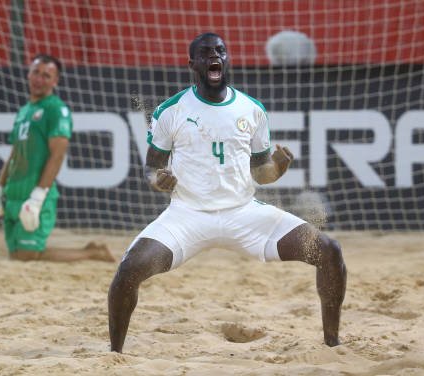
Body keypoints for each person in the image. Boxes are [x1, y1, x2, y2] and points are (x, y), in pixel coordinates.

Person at [108, 33, 346, 352]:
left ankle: (333, 343)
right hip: (187, 216)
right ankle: (115, 356)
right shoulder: (171, 110)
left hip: (244, 214)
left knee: (329, 251)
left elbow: (261, 173)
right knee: (128, 270)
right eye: (205, 53)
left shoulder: (252, 109)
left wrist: (277, 168)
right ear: (193, 64)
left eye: (219, 51)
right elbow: (151, 167)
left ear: (227, 59)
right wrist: (157, 179)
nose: (213, 56)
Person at [0, 54, 114, 263]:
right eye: (36, 72)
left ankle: (93, 253)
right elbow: (15, 153)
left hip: (35, 192)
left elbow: (58, 154)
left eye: (46, 75)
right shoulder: (25, 111)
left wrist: (38, 196)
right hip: (14, 192)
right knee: (16, 255)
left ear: (55, 81)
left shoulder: (56, 109)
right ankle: (89, 250)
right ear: (28, 73)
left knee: (27, 255)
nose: (39, 79)